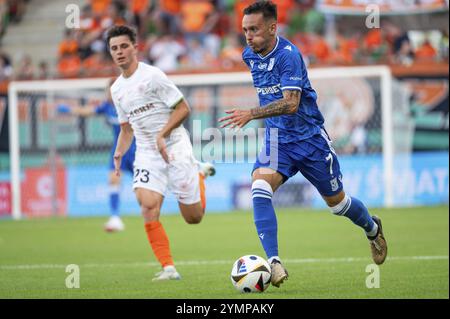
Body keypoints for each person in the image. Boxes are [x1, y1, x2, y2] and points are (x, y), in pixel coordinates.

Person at [219, 1, 387, 288]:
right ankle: (273, 262)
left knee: (338, 205)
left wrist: (252, 113)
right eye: (245, 29)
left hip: (310, 141)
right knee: (259, 187)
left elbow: (292, 104)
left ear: (273, 27)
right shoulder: (250, 55)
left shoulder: (289, 56)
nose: (248, 36)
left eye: (255, 29)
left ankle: (372, 228)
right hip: (276, 139)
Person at [106, 25, 215, 281]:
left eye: (124, 46)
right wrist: (119, 151)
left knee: (193, 218)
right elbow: (126, 128)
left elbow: (183, 108)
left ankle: (199, 175)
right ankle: (168, 267)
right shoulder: (116, 89)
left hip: (175, 146)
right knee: (148, 205)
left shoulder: (153, 76)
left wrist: (162, 135)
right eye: (114, 48)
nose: (119, 52)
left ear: (136, 47)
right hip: (147, 152)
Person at [57, 79, 134, 232]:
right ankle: (115, 217)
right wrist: (70, 110)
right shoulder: (107, 107)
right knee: (113, 179)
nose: (110, 94)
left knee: (144, 188)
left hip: (136, 150)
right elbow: (89, 111)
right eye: (109, 91)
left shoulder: (130, 106)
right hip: (118, 151)